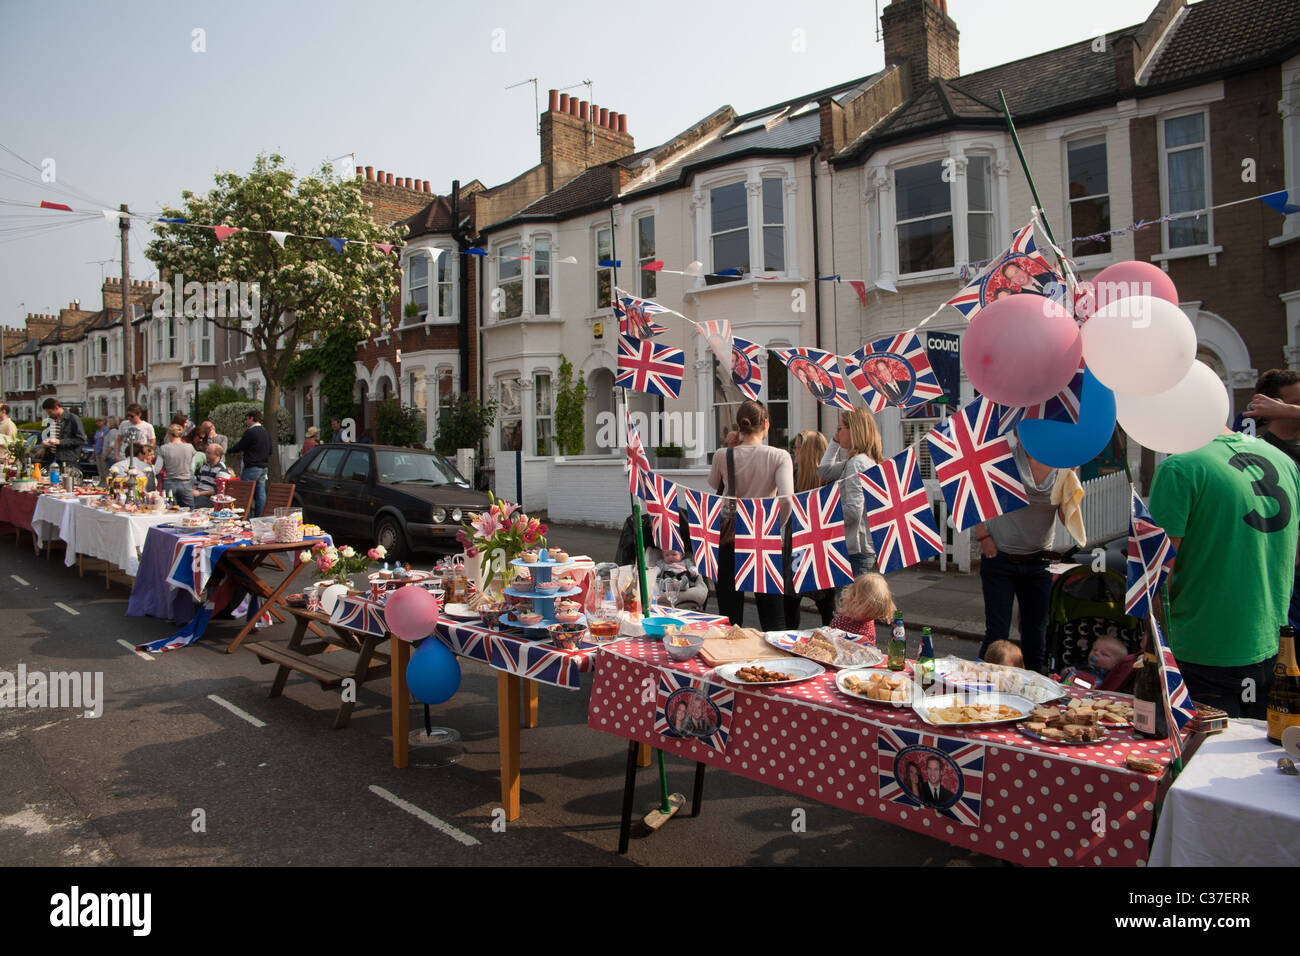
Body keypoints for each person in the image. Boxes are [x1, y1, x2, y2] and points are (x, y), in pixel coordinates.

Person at [1149, 426, 1300, 719]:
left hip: (1201, 645)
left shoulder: (1180, 466)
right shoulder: (1283, 460)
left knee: (1199, 758)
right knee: (1255, 755)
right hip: (1269, 639)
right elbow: (1294, 556)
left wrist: (1151, 643)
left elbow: (1158, 575)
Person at [974, 436, 1072, 674]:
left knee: (1035, 635)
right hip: (1000, 560)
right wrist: (983, 537)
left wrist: (1073, 497)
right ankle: (977, 688)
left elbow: (1066, 516)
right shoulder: (1004, 457)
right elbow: (975, 494)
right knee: (996, 634)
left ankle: (1035, 697)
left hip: (1039, 563)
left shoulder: (1064, 464)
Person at [707, 399, 793, 631]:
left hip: (729, 540)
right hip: (762, 538)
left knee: (730, 618)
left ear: (738, 426)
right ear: (765, 423)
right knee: (773, 618)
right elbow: (786, 498)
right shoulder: (779, 456)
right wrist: (775, 525)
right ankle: (774, 665)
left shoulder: (722, 455)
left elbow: (714, 484)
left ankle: (733, 664)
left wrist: (730, 447)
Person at [818, 408, 881, 576]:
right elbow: (823, 472)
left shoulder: (856, 463)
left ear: (854, 430)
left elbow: (853, 511)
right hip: (862, 549)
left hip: (856, 552)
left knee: (848, 602)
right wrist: (834, 441)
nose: (837, 433)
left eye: (840, 429)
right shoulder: (861, 461)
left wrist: (825, 517)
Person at [784, 429, 837, 627]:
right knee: (825, 606)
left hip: (807, 545)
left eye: (797, 448)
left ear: (806, 451)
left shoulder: (825, 478)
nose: (794, 452)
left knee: (793, 604)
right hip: (814, 545)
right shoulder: (824, 479)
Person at [827, 572, 896, 645]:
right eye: (870, 609)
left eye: (875, 611)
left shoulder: (864, 616)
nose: (872, 615)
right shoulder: (842, 622)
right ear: (854, 599)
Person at [228, 409, 272, 517]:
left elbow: (240, 446)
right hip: (263, 467)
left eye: (246, 419)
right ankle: (260, 518)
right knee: (260, 494)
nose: (246, 422)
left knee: (246, 494)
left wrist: (229, 450)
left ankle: (246, 518)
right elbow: (270, 450)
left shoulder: (251, 432)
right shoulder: (266, 432)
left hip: (252, 467)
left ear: (252, 418)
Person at [39, 397, 86, 469]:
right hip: (51, 458)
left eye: (50, 412)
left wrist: (60, 442)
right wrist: (46, 442)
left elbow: (80, 439)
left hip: (67, 459)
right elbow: (50, 436)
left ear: (56, 407)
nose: (50, 415)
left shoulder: (73, 419)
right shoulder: (51, 420)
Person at [156, 424, 196, 508]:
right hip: (185, 482)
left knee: (169, 510)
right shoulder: (190, 447)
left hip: (169, 482)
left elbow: (157, 468)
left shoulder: (164, 448)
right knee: (189, 510)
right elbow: (192, 467)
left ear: (169, 434)